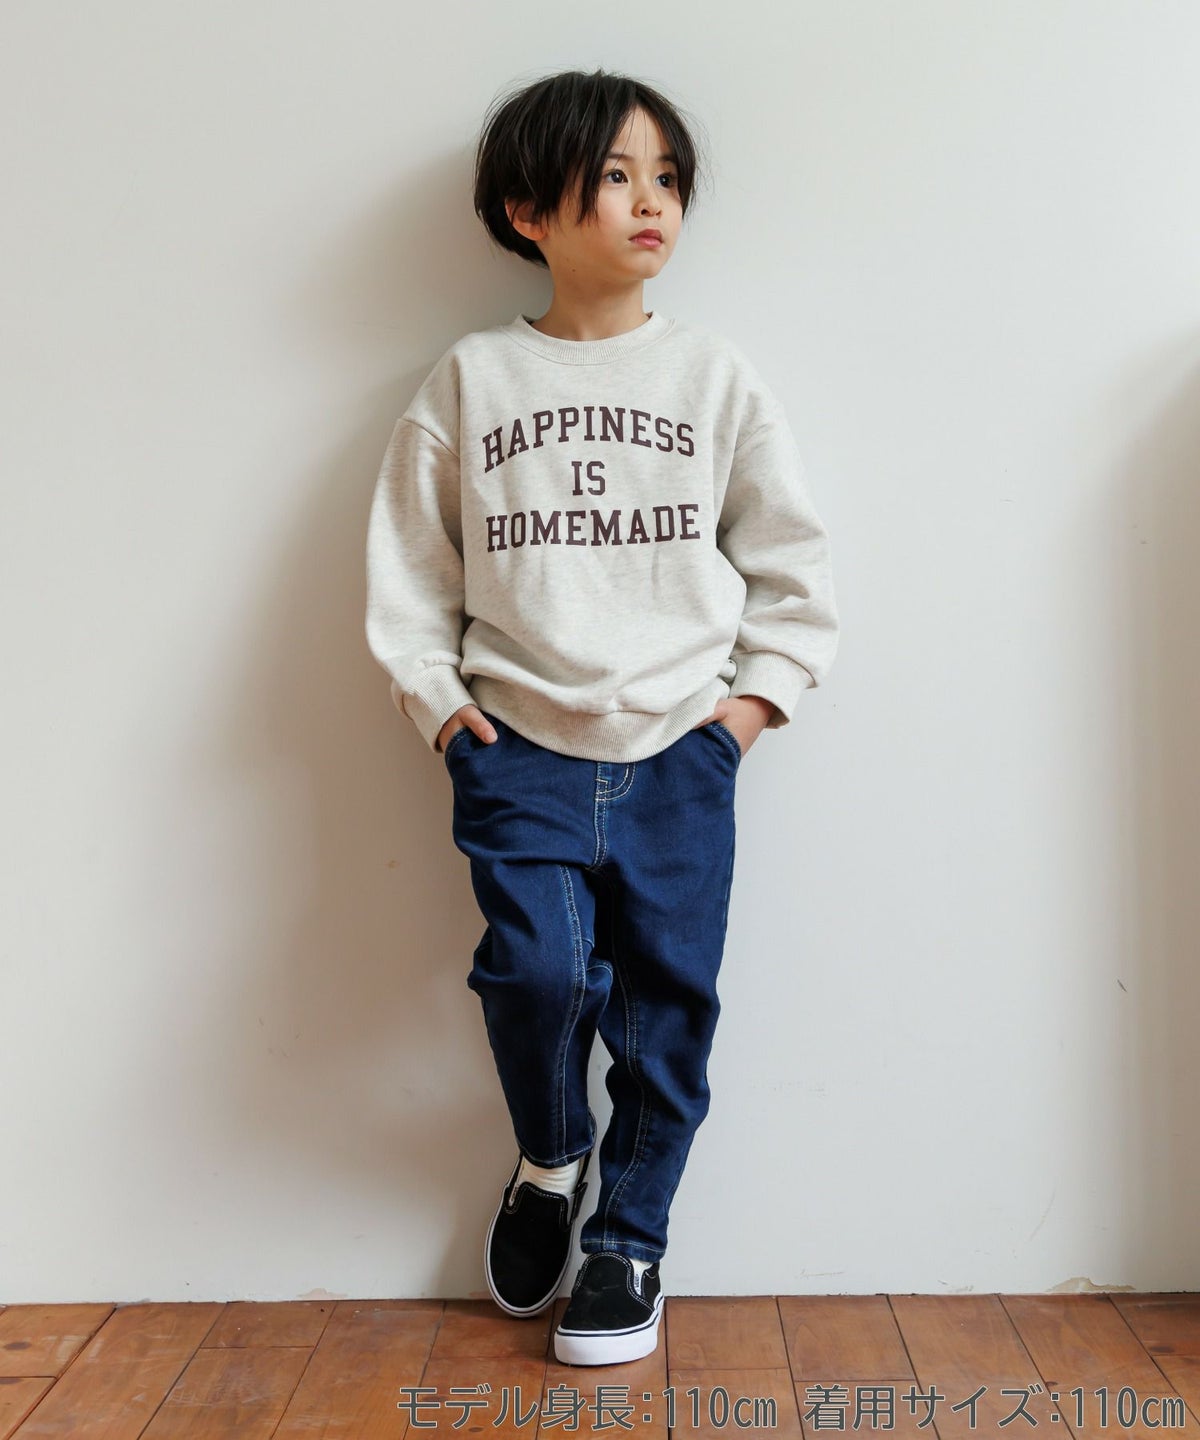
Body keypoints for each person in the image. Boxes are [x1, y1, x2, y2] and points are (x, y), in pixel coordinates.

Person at [365, 67, 840, 1366]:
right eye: (617, 175)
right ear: (529, 209)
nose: (650, 202)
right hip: (517, 746)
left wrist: (748, 711)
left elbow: (792, 564)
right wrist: (442, 708)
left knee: (667, 1009)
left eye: (667, 178)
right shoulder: (473, 379)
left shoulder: (713, 376)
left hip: (682, 748)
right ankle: (552, 1156)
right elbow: (410, 568)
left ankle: (629, 1239)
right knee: (534, 975)